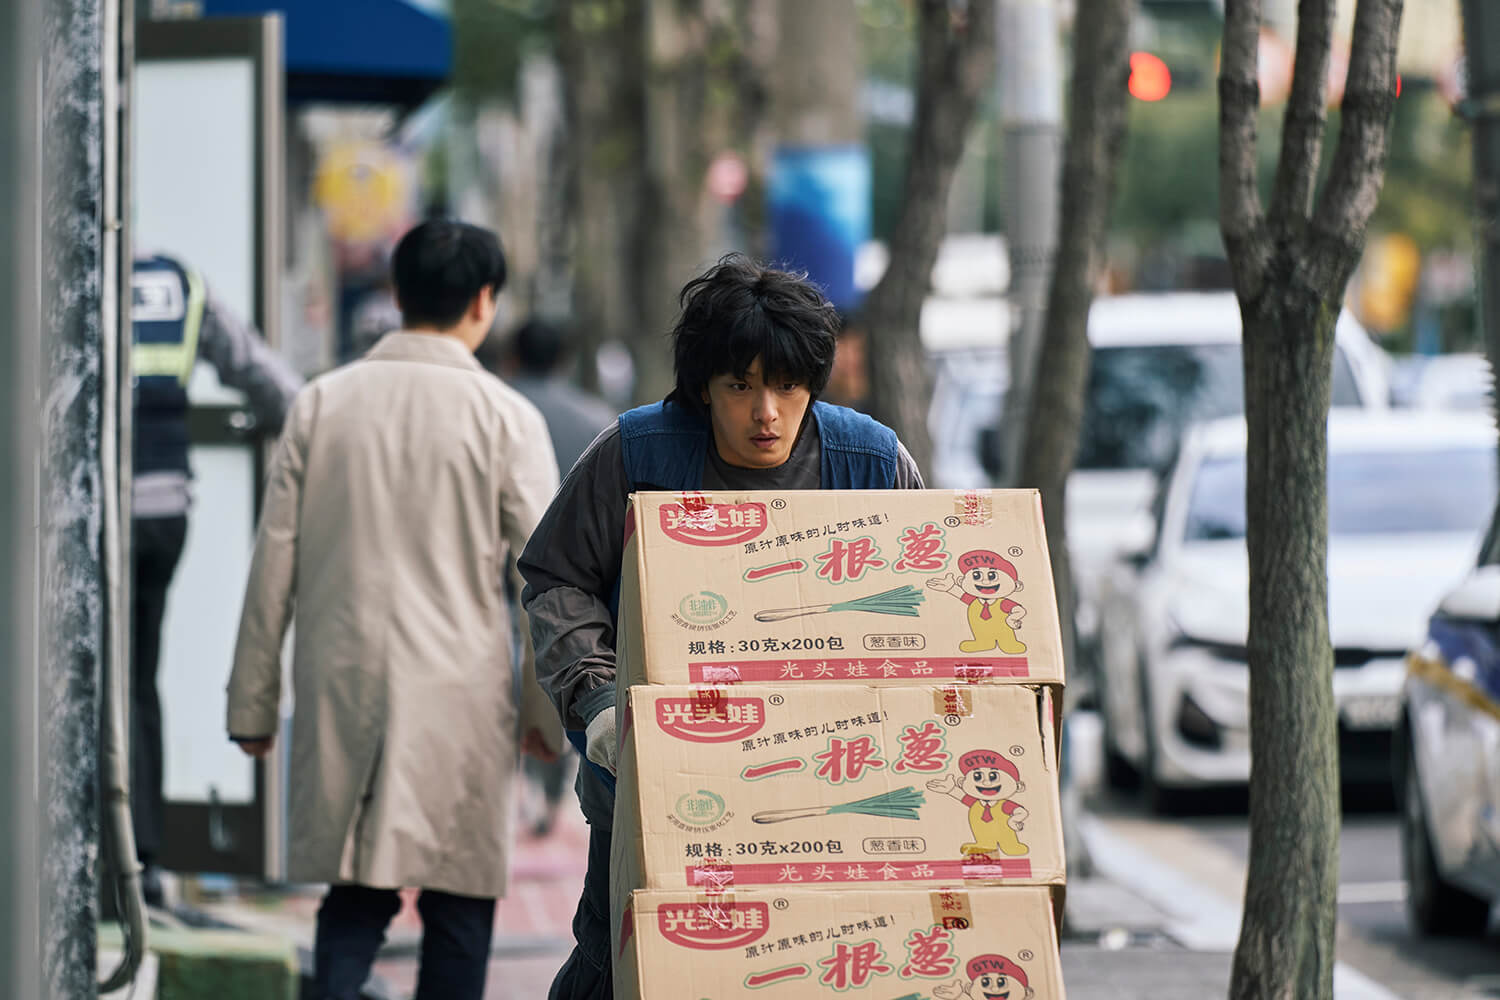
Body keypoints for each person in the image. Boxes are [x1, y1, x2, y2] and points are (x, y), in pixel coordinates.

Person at [518, 254, 924, 999]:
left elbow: (923, 607)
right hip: (650, 787)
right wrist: (600, 704)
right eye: (741, 386)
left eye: (786, 385)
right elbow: (556, 579)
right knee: (620, 964)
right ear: (703, 387)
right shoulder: (635, 455)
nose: (765, 412)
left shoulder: (871, 463)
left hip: (825, 792)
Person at [225, 220, 565, 1000]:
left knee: (353, 898)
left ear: (397, 294)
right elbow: (542, 583)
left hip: (344, 688)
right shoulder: (506, 417)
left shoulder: (320, 404)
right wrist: (547, 716)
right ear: (484, 302)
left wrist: (252, 703)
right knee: (458, 907)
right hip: (460, 697)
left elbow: (272, 562)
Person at [129, 252, 304, 906]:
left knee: (86, 680)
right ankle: (141, 858)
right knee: (138, 677)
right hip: (165, 508)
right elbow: (270, 382)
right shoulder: (177, 283)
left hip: (89, 518)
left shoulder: (62, 267)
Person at [482, 318, 616, 835]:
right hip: (577, 575)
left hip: (499, 563)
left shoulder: (499, 409)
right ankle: (555, 784)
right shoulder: (596, 419)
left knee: (511, 665)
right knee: (565, 666)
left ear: (515, 356)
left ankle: (523, 784)